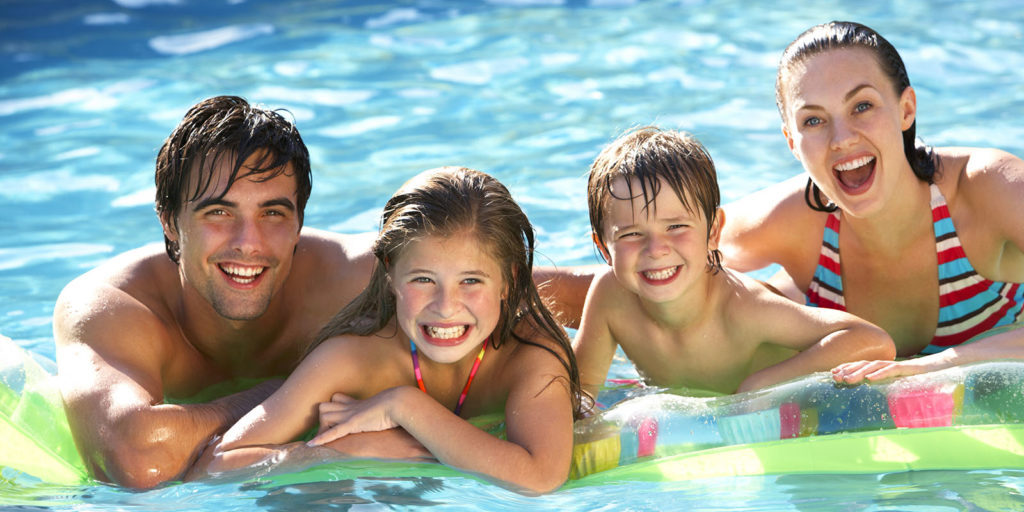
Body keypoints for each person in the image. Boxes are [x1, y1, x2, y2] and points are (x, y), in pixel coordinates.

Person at [51, 95, 591, 489]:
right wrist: (309, 393)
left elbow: (535, 287)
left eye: (273, 214)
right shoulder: (113, 305)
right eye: (218, 213)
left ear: (302, 221)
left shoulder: (362, 277)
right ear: (170, 221)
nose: (249, 244)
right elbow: (138, 459)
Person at [195, 167, 586, 494]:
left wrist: (406, 406)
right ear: (389, 275)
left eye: (471, 281)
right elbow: (213, 467)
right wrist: (346, 451)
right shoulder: (354, 359)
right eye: (422, 279)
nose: (446, 307)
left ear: (508, 280)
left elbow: (540, 477)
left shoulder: (529, 353)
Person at [720, 21, 1024, 385]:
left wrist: (930, 369)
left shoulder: (985, 188)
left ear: (906, 109)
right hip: (814, 297)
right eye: (813, 120)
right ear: (791, 141)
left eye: (862, 105)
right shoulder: (792, 222)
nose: (842, 139)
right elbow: (671, 245)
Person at [573, 127, 895, 396]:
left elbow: (872, 341)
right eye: (631, 234)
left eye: (675, 227)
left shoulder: (744, 308)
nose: (656, 249)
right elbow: (580, 398)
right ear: (603, 247)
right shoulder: (610, 297)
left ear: (713, 232)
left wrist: (761, 385)